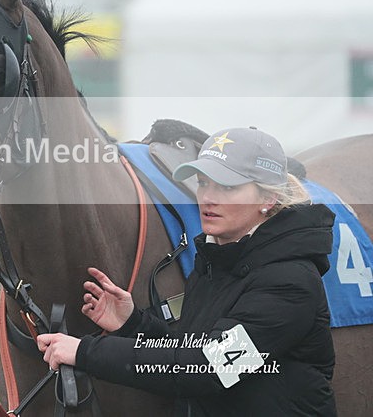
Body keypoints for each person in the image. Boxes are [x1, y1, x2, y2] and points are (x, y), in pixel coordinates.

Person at [37, 127, 337, 416]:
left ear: (267, 199)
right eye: (203, 182)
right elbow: (191, 350)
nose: (207, 197)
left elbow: (209, 368)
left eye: (227, 186)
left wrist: (86, 352)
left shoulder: (290, 280)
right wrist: (133, 324)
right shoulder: (216, 260)